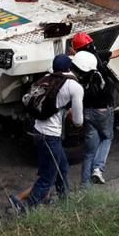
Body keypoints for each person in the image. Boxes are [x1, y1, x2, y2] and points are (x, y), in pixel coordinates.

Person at [9, 54, 84, 213]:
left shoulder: (46, 79)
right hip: (50, 136)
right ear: (69, 68)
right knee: (47, 177)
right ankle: (24, 207)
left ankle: (65, 202)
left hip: (37, 131)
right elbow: (78, 120)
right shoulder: (74, 86)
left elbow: (30, 99)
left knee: (62, 166)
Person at [68, 33, 119, 187]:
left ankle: (84, 186)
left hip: (86, 111)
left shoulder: (74, 66)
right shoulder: (99, 57)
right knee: (107, 137)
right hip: (103, 110)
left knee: (89, 151)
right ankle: (98, 169)